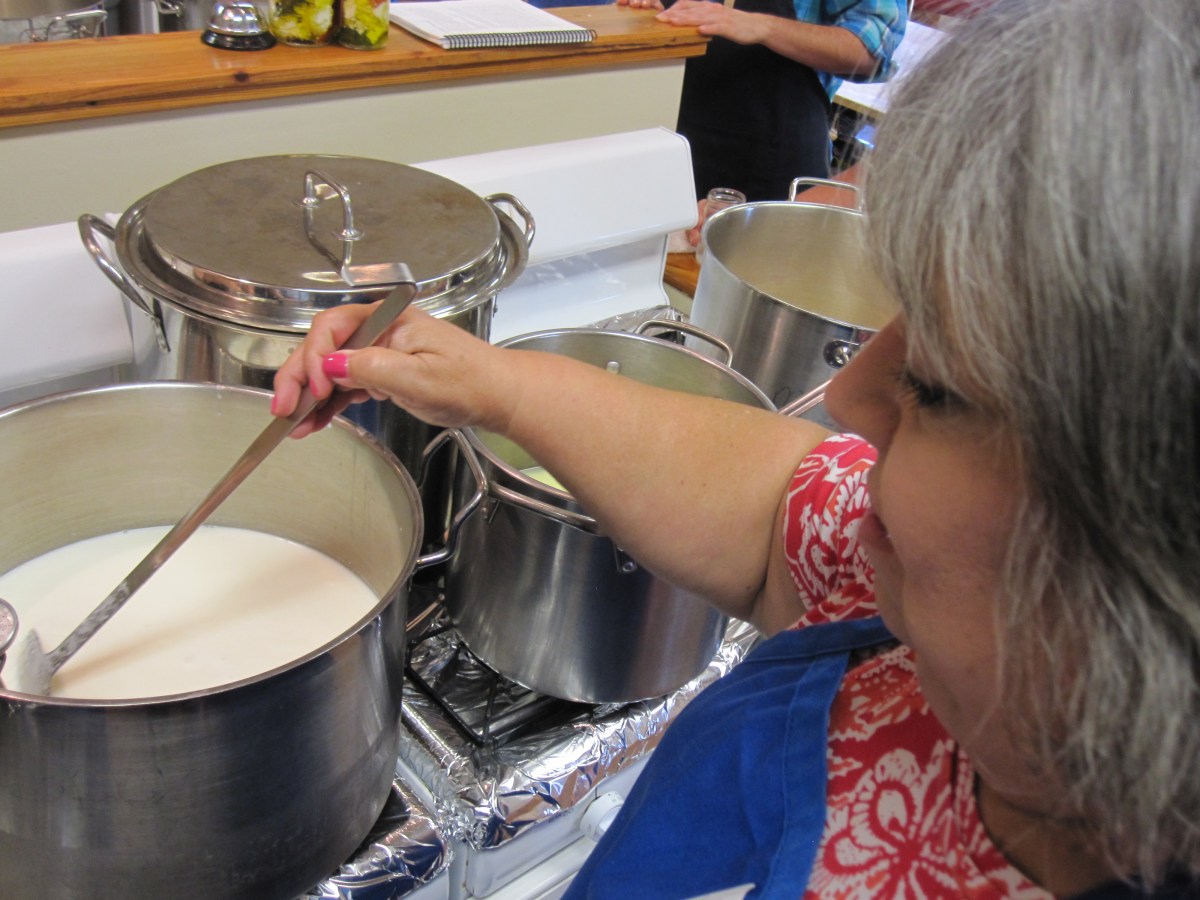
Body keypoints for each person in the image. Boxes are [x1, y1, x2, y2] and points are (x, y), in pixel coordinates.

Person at [272, 0, 1200, 894]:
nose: (850, 394)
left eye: (935, 387)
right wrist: (491, 382)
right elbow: (772, 507)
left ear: (1145, 565)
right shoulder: (934, 609)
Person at [615, 0, 906, 203]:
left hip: (768, 159)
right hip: (664, 146)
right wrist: (644, 15)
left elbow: (870, 49)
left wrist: (762, 27)